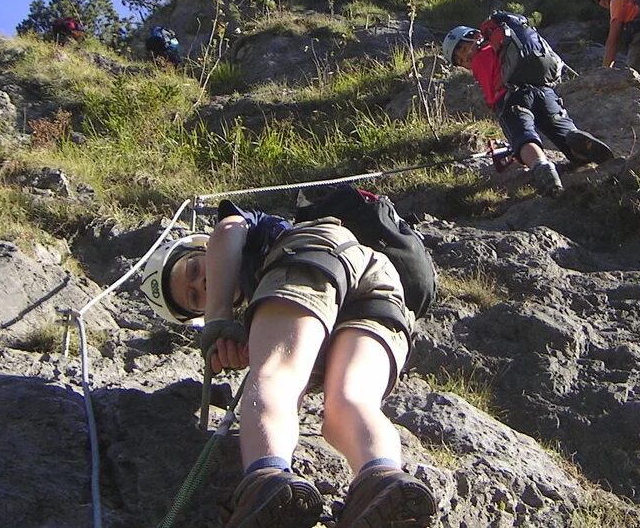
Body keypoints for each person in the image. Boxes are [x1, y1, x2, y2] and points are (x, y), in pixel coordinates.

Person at [138, 200, 438, 528]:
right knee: (351, 403)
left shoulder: (249, 237)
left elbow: (227, 229)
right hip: (381, 280)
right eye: (194, 297)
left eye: (193, 270)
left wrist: (216, 318)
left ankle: (267, 482)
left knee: (276, 376)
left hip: (312, 253)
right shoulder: (261, 289)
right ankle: (382, 480)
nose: (202, 285)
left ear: (200, 248)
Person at [443, 22, 614, 196]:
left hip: (512, 97)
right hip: (543, 90)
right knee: (559, 126)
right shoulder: (505, 46)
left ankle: (542, 167)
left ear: (476, 36)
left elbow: (492, 97)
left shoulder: (480, 60)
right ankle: (574, 139)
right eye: (462, 61)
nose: (467, 59)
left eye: (464, 51)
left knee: (522, 136)